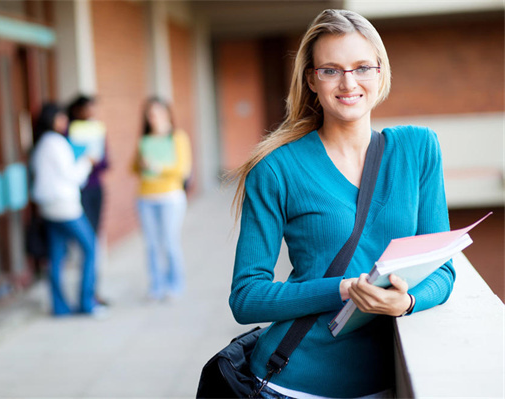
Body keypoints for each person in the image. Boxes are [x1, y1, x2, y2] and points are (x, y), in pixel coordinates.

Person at [229, 9, 455, 399]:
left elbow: (444, 269)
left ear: (381, 72)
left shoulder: (418, 149)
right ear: (311, 81)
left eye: (362, 67)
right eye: (331, 70)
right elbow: (247, 297)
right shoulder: (276, 168)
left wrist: (408, 301)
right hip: (293, 384)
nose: (348, 82)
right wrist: (345, 289)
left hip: (385, 382)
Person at [30, 103, 105, 317]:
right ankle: (87, 302)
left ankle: (60, 307)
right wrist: (87, 162)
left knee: (56, 256)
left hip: (48, 207)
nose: (65, 122)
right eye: (61, 118)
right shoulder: (56, 142)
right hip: (65, 206)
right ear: (52, 119)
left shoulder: (41, 144)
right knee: (90, 248)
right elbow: (73, 176)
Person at [133, 97, 192, 301]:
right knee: (151, 244)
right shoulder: (145, 140)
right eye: (149, 114)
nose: (153, 118)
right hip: (145, 197)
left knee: (169, 242)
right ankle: (156, 285)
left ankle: (175, 285)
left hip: (170, 197)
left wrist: (158, 167)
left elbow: (183, 169)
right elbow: (132, 168)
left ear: (167, 114)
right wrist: (141, 163)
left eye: (157, 113)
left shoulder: (177, 137)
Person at [67, 94, 110, 306]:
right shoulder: (68, 132)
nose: (90, 113)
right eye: (87, 109)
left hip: (95, 190)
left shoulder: (97, 131)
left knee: (94, 241)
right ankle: (87, 293)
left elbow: (106, 163)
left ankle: (93, 291)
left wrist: (94, 160)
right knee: (87, 243)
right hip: (76, 192)